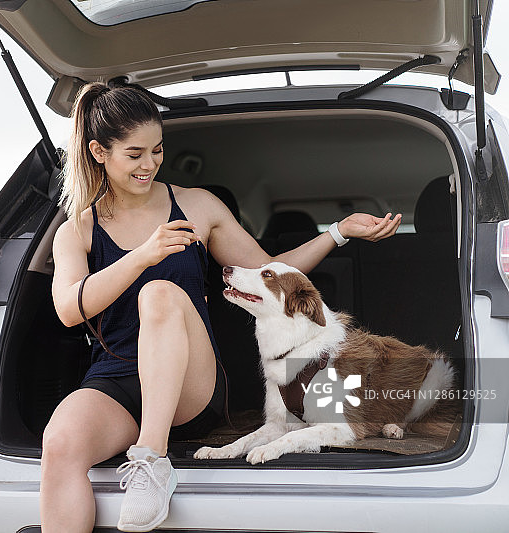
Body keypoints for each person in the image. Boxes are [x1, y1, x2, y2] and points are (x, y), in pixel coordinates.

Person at [43, 82, 401, 533]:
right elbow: (68, 309)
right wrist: (142, 255)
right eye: (134, 155)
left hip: (192, 387)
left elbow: (271, 272)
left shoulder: (196, 205)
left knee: (159, 293)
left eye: (157, 150)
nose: (149, 164)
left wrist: (339, 231)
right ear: (99, 152)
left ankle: (151, 460)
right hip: (116, 379)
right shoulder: (77, 230)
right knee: (58, 445)